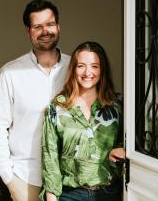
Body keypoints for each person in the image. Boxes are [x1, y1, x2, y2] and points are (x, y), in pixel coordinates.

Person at [0, 0, 70, 201]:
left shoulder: (76, 69)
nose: (45, 31)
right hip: (24, 176)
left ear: (58, 26)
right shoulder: (10, 73)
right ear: (28, 31)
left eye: (50, 24)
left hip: (69, 179)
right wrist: (9, 178)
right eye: (37, 26)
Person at [40, 41, 125, 201]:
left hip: (109, 193)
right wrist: (51, 197)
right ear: (73, 69)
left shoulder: (117, 104)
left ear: (102, 70)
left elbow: (136, 143)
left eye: (94, 66)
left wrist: (122, 148)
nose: (88, 72)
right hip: (71, 195)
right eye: (81, 66)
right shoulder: (57, 107)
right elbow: (50, 156)